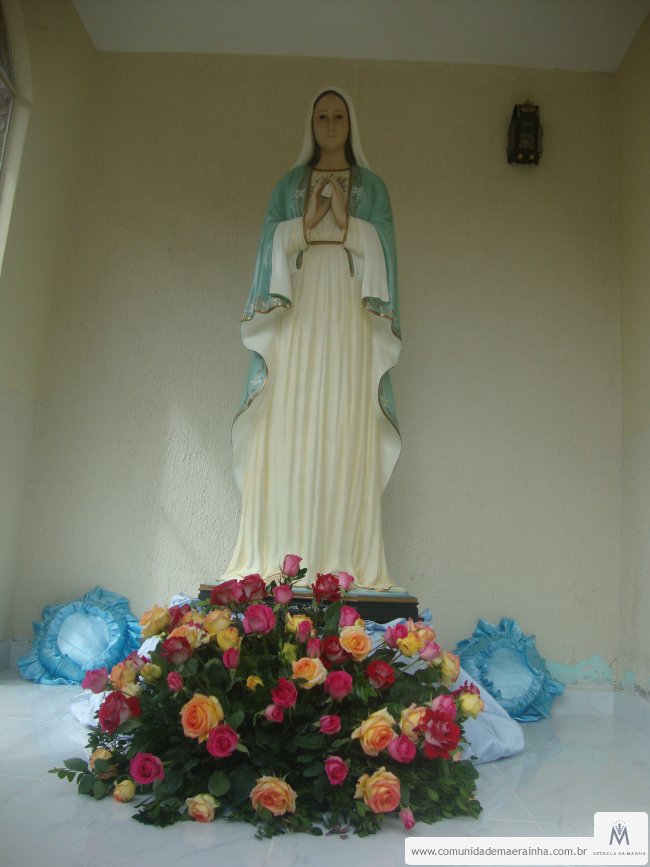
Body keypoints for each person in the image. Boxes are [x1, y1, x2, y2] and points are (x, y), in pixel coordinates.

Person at [223, 87, 401, 589]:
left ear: (351, 123)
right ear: (311, 123)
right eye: (322, 116)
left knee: (344, 420)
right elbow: (269, 244)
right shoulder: (288, 185)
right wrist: (303, 226)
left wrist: (347, 223)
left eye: (339, 115)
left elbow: (384, 250)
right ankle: (285, 554)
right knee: (289, 421)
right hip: (297, 314)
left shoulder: (373, 187)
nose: (331, 124)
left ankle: (340, 560)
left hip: (348, 316)